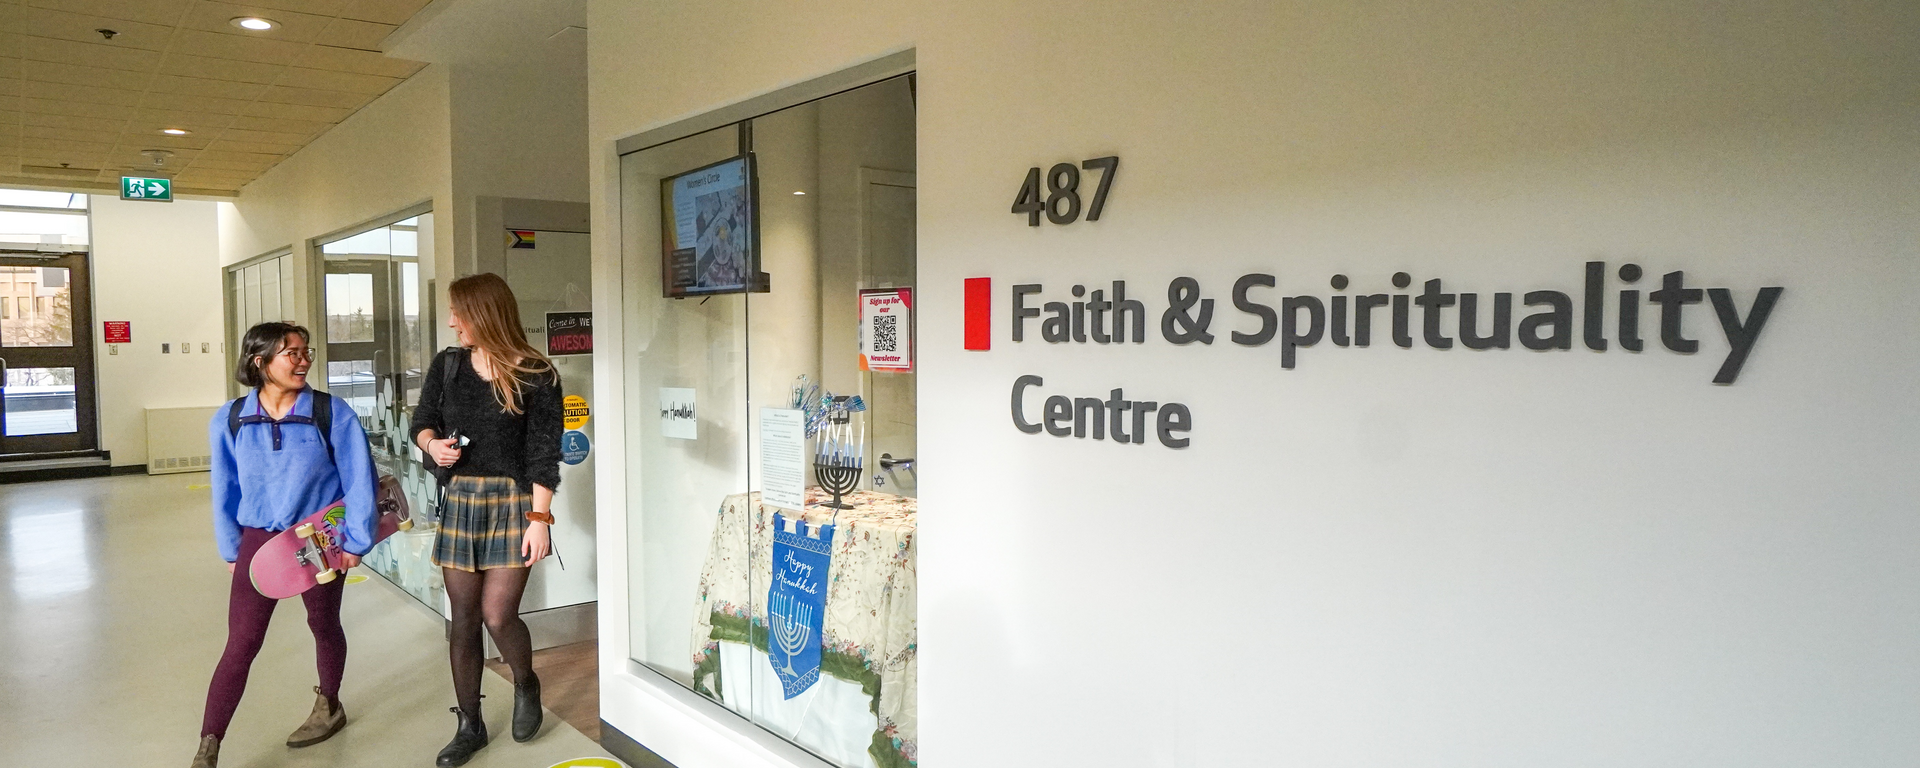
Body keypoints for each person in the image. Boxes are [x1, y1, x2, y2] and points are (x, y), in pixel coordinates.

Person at [191, 322, 378, 768]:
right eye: (290, 353)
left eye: (305, 351)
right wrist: (232, 549)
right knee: (241, 643)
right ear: (260, 362)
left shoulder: (331, 413)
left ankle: (329, 705)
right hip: (259, 540)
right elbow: (225, 487)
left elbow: (359, 480)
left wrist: (357, 540)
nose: (303, 360)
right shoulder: (232, 418)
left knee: (323, 622)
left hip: (319, 537)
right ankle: (208, 745)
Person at [410, 273, 563, 767]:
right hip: (462, 500)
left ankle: (525, 682)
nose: (452, 321)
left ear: (485, 314)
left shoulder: (537, 373)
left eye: (460, 312)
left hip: (515, 503)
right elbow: (421, 423)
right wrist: (433, 445)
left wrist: (540, 518)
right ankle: (469, 725)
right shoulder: (449, 365)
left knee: (499, 615)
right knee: (464, 619)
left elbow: (544, 453)